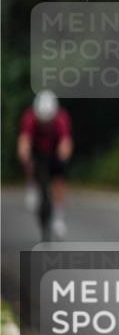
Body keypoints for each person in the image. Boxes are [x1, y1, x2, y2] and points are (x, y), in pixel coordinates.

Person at [18, 90, 73, 238]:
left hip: (54, 151)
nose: (45, 124)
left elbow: (66, 141)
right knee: (29, 160)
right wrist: (25, 155)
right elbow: (24, 141)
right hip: (37, 151)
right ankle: (31, 185)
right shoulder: (29, 117)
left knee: (58, 179)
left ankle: (58, 215)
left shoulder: (61, 118)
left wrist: (63, 155)